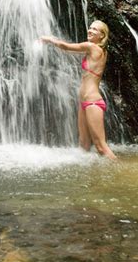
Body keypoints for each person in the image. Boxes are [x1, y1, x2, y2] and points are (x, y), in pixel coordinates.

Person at [39, 20, 117, 160]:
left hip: (93, 102)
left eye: (95, 29)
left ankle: (121, 172)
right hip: (84, 102)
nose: (90, 30)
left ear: (102, 35)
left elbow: (66, 46)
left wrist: (49, 39)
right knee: (84, 144)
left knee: (100, 147)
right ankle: (88, 178)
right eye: (90, 27)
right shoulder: (98, 51)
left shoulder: (92, 48)